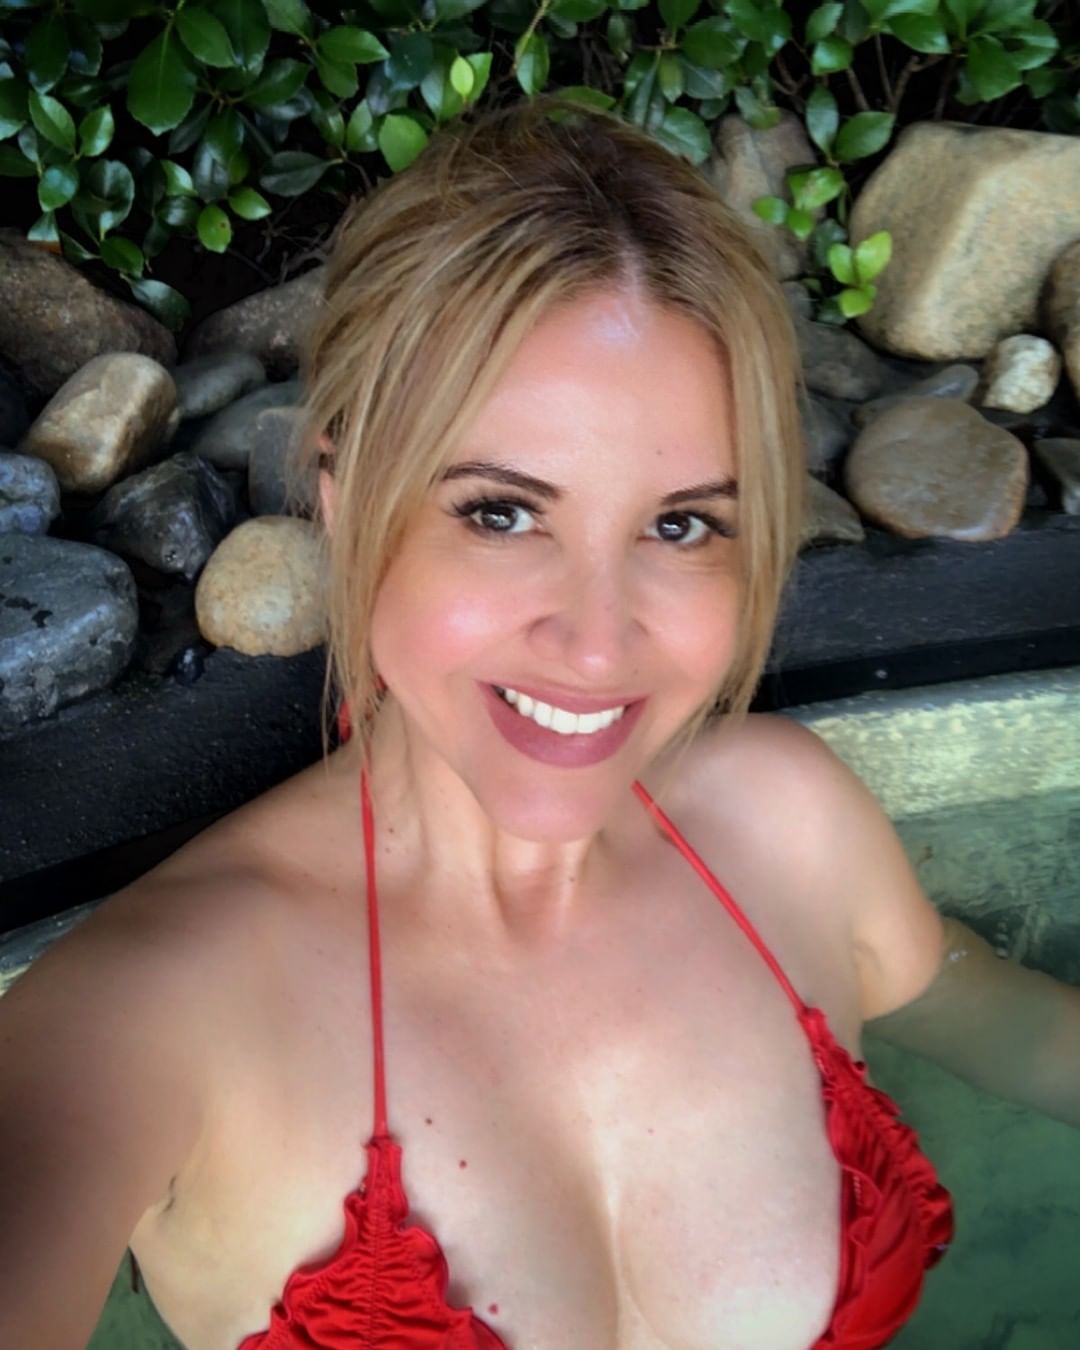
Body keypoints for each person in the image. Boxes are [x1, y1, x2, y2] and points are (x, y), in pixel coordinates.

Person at [2, 96, 1078, 1350]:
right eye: (502, 513)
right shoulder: (147, 1018)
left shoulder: (788, 827)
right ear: (347, 502)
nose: (599, 642)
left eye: (681, 524)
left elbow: (997, 1020)